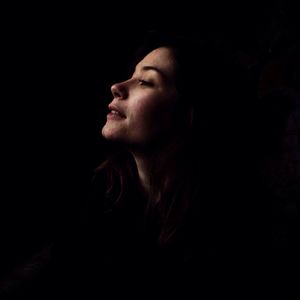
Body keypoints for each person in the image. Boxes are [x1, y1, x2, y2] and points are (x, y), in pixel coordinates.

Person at [0, 30, 262, 298]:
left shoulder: (230, 229)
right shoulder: (102, 197)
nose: (117, 86)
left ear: (189, 115)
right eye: (133, 75)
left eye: (146, 81)